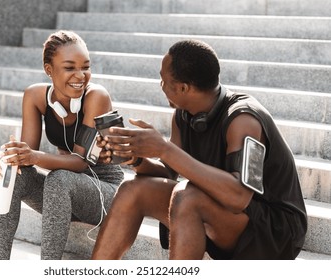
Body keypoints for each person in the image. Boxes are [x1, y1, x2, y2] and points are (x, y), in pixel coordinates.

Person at [91, 39, 307, 260]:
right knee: (132, 189)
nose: (161, 85)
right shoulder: (184, 116)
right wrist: (135, 160)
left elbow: (239, 197)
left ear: (184, 88)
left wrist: (164, 149)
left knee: (188, 196)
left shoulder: (243, 120)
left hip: (275, 232)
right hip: (222, 214)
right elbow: (168, 173)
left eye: (163, 80)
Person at [0, 30, 124, 260]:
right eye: (70, 68)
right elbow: (27, 160)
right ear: (49, 70)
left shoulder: (97, 96)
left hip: (106, 192)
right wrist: (12, 159)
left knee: (59, 178)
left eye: (85, 67)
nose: (80, 75)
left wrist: (32, 156)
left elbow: (81, 163)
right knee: (12, 174)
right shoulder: (34, 96)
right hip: (63, 195)